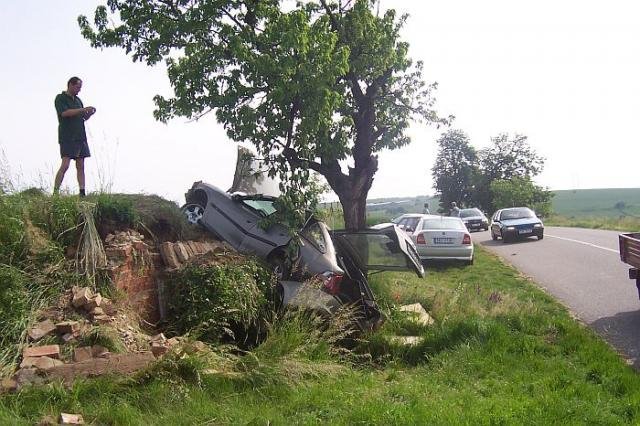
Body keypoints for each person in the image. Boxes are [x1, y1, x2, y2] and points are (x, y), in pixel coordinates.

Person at [53, 77, 96, 197]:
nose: (79, 90)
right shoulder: (60, 98)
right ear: (70, 85)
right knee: (65, 164)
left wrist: (89, 114)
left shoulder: (78, 100)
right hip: (67, 136)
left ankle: (82, 192)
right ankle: (56, 191)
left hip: (80, 136)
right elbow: (65, 113)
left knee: (81, 165)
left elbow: (82, 117)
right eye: (77, 87)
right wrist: (82, 109)